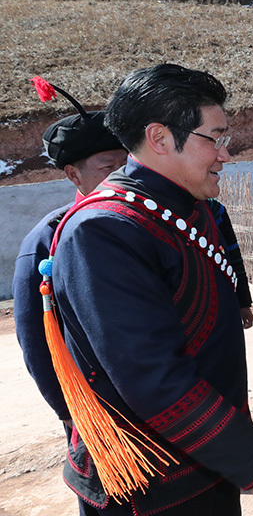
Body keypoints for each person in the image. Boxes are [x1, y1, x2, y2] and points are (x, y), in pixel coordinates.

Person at [46, 63, 253, 515]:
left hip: (202, 461)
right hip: (151, 481)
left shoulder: (183, 208)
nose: (225, 154)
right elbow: (151, 373)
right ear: (160, 138)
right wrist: (249, 455)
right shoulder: (104, 231)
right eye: (214, 139)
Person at [13, 78, 127, 434]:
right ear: (74, 174)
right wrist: (66, 408)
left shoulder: (150, 222)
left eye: (128, 165)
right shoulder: (46, 240)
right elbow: (35, 337)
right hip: (94, 404)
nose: (122, 176)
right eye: (109, 167)